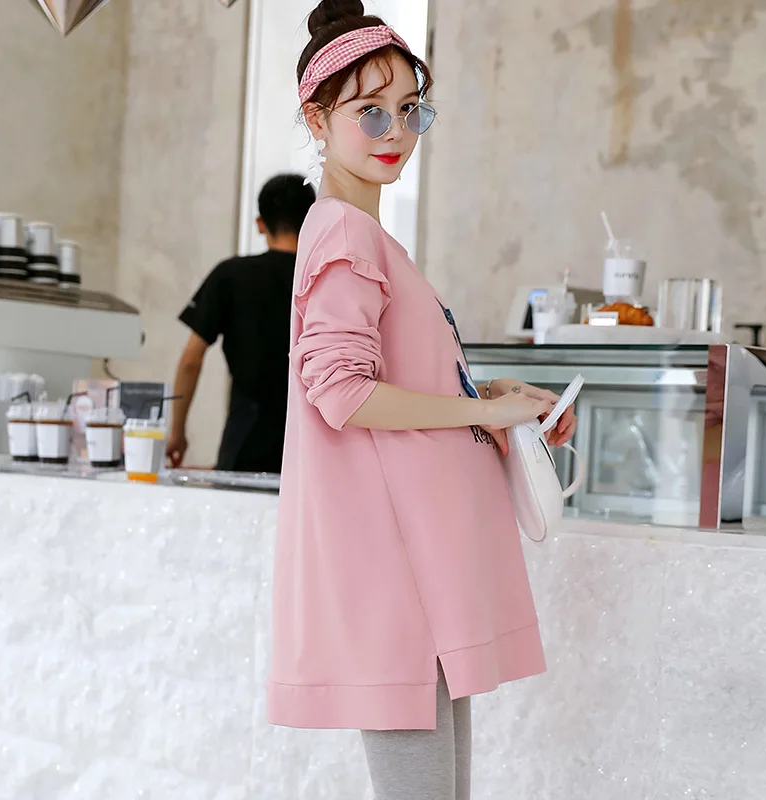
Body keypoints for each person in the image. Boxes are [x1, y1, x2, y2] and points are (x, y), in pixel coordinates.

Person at [268, 3, 577, 798]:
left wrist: (498, 398)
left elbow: (389, 382)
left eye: (410, 109)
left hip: (420, 571)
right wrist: (484, 413)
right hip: (397, 573)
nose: (395, 131)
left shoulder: (365, 236)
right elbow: (341, 391)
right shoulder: (343, 233)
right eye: (369, 111)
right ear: (317, 119)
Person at [168, 174, 316, 473]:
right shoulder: (325, 280)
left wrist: (177, 432)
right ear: (312, 222)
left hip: (246, 442)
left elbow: (190, 360)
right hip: (313, 447)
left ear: (260, 223)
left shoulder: (231, 275)